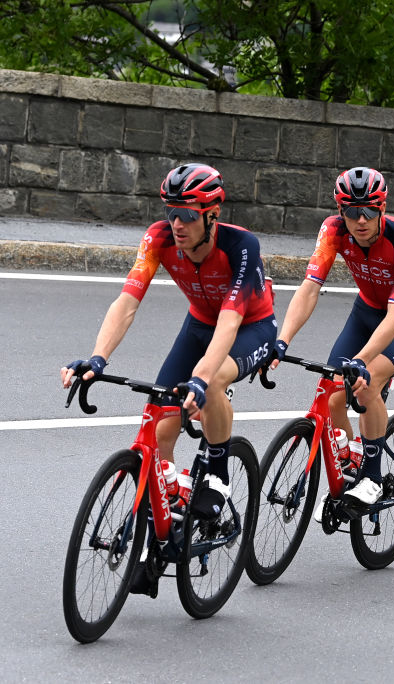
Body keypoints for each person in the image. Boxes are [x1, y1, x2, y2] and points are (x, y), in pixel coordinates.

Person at [59, 163, 277, 590]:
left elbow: (231, 323)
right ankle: (169, 516)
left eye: (188, 215)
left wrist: (200, 378)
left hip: (251, 327)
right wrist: (97, 358)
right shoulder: (158, 238)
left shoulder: (241, 246)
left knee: (210, 383)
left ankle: (217, 473)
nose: (177, 223)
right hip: (199, 324)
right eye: (171, 212)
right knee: (160, 425)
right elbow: (127, 301)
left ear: (212, 215)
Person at [269, 167, 394, 507]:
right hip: (366, 311)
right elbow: (309, 289)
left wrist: (362, 361)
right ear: (340, 212)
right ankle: (350, 461)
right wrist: (281, 340)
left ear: (382, 209)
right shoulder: (333, 231)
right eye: (351, 212)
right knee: (333, 394)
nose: (360, 220)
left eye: (369, 211)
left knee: (368, 381)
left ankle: (373, 479)